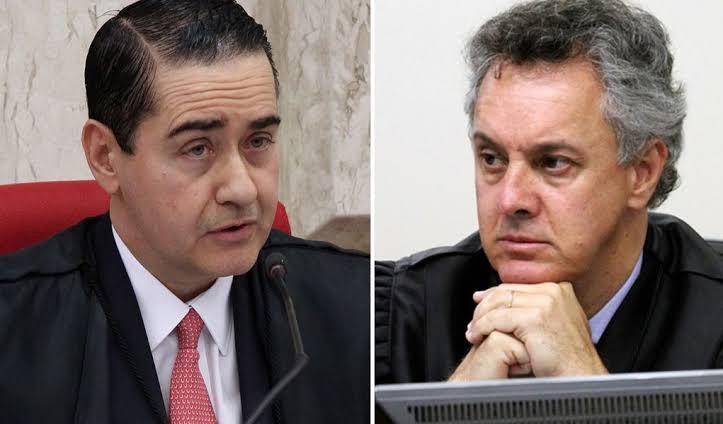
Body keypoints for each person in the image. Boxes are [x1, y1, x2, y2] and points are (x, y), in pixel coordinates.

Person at [0, 1, 369, 423]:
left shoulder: (357, 310)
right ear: (105, 156)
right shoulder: (11, 331)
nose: (242, 189)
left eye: (258, 141)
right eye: (197, 149)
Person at [376, 0, 723, 384]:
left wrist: (585, 381)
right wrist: (456, 404)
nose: (510, 200)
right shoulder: (398, 316)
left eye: (553, 162)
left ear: (642, 172)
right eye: (492, 158)